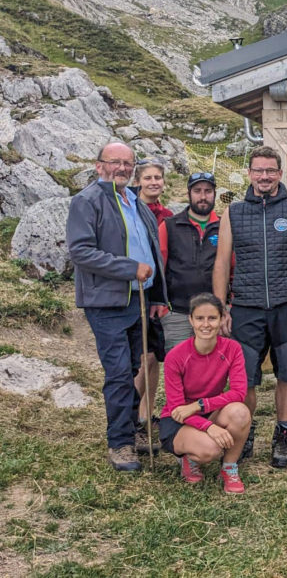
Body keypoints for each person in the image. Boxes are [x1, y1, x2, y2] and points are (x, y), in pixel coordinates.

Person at [212, 146, 287, 469]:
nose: (264, 176)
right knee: (245, 379)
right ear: (249, 174)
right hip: (246, 307)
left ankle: (283, 433)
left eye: (270, 170)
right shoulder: (233, 212)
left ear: (280, 174)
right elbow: (221, 262)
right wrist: (221, 308)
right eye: (258, 170)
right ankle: (244, 432)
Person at [66, 142, 167, 471]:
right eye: (114, 162)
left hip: (139, 299)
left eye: (127, 163)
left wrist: (156, 296)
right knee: (120, 373)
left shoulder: (135, 201)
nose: (122, 168)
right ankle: (120, 443)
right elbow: (81, 252)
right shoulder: (87, 201)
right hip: (107, 302)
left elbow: (150, 251)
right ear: (99, 166)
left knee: (134, 369)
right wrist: (129, 268)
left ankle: (131, 428)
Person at [159, 293, 251, 493]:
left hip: (206, 411)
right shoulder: (175, 356)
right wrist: (209, 427)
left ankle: (229, 468)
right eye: (200, 318)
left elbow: (238, 393)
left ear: (222, 319)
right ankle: (188, 459)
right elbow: (176, 408)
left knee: (240, 412)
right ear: (191, 320)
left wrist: (200, 406)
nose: (206, 324)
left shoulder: (232, 349)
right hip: (178, 419)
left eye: (212, 318)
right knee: (210, 449)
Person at [130, 159, 173, 451]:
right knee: (142, 358)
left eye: (158, 177)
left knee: (155, 356)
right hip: (138, 290)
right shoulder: (131, 211)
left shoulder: (167, 216)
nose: (153, 182)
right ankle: (132, 416)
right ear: (138, 182)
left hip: (158, 293)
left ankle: (147, 413)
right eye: (148, 178)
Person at [158, 172, 220, 350]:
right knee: (180, 362)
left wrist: (228, 305)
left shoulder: (224, 226)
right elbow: (159, 268)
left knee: (213, 363)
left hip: (214, 313)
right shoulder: (169, 226)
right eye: (197, 191)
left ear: (214, 194)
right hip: (178, 313)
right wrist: (161, 305)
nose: (203, 196)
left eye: (208, 191)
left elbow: (233, 268)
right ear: (189, 194)